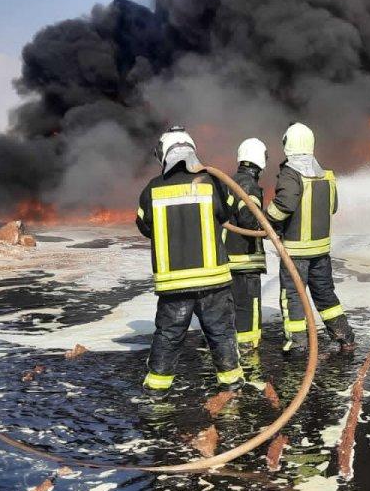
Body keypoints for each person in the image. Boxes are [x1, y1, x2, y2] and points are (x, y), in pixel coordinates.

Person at [135, 127, 243, 395]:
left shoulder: (152, 189)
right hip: (212, 281)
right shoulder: (211, 182)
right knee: (221, 333)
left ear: (164, 154)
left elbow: (144, 225)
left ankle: (157, 391)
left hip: (175, 283)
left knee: (169, 336)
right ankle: (231, 385)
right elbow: (227, 214)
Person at [265, 122, 355, 355]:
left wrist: (266, 219)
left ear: (288, 144)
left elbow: (284, 205)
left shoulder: (291, 174)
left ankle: (297, 343)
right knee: (325, 293)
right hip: (321, 251)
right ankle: (344, 336)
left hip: (296, 252)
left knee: (293, 297)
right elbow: (333, 207)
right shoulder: (326, 176)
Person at [224, 138, 268, 356]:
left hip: (228, 259)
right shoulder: (249, 185)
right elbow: (249, 219)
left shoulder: (230, 181)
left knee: (230, 308)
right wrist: (268, 226)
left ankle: (230, 351)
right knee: (247, 309)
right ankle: (249, 354)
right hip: (245, 260)